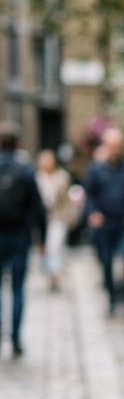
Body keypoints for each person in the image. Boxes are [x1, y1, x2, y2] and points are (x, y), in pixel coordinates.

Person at [0, 125, 46, 356]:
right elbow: (38, 207)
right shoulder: (25, 170)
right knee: (17, 288)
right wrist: (42, 238)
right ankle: (16, 338)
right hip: (19, 236)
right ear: (18, 144)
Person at [83, 127, 124, 312]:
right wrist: (93, 212)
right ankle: (112, 297)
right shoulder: (97, 169)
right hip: (104, 222)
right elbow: (89, 194)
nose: (116, 150)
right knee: (106, 261)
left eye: (118, 146)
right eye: (112, 146)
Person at [36, 150, 72, 290]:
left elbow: (67, 201)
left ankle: (55, 273)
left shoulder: (62, 177)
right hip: (42, 219)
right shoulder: (37, 178)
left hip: (57, 217)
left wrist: (69, 218)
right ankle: (49, 272)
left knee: (55, 246)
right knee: (44, 248)